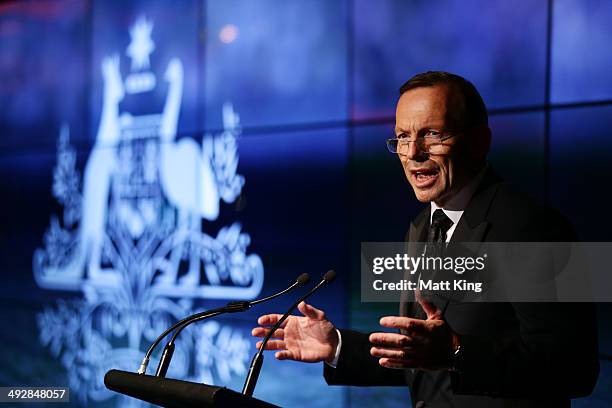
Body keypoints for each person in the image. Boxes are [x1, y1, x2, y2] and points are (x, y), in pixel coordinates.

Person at [251, 71, 599, 407]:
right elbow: (423, 359)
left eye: (432, 134)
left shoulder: (538, 227)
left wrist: (457, 353)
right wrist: (337, 346)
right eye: (402, 136)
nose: (413, 152)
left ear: (480, 141)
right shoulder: (420, 227)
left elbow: (577, 369)